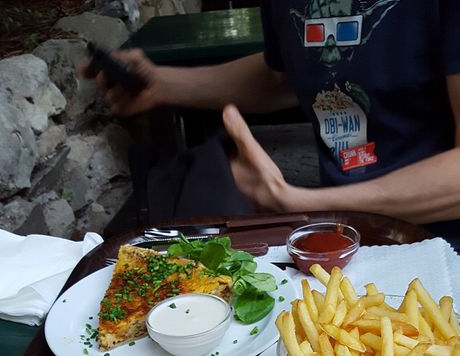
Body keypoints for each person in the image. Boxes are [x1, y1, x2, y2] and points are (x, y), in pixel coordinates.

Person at [82, 1, 460, 248]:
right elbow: (282, 76)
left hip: (442, 242)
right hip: (341, 238)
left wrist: (300, 203)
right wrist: (163, 85)